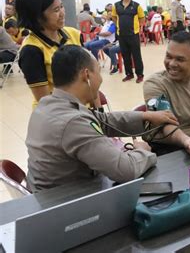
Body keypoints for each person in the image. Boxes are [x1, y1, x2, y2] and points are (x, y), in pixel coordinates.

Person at [25, 45, 179, 192]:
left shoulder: (48, 104)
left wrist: (146, 116)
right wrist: (143, 152)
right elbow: (125, 170)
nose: (100, 79)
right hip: (67, 205)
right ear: (86, 75)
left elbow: (104, 120)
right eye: (98, 71)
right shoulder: (73, 122)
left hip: (50, 195)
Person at [16, 0, 83, 107]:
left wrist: (97, 108)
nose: (62, 13)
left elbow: (88, 76)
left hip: (83, 108)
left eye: (61, 6)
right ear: (36, 16)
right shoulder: (31, 50)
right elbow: (45, 100)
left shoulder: (74, 34)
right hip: (57, 114)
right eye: (56, 10)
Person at [112, 0, 146, 83]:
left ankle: (139, 74)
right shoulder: (116, 5)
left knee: (136, 56)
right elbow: (114, 17)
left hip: (133, 35)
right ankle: (129, 74)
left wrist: (135, 27)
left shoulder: (136, 5)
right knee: (125, 55)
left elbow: (142, 18)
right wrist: (119, 25)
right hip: (121, 35)